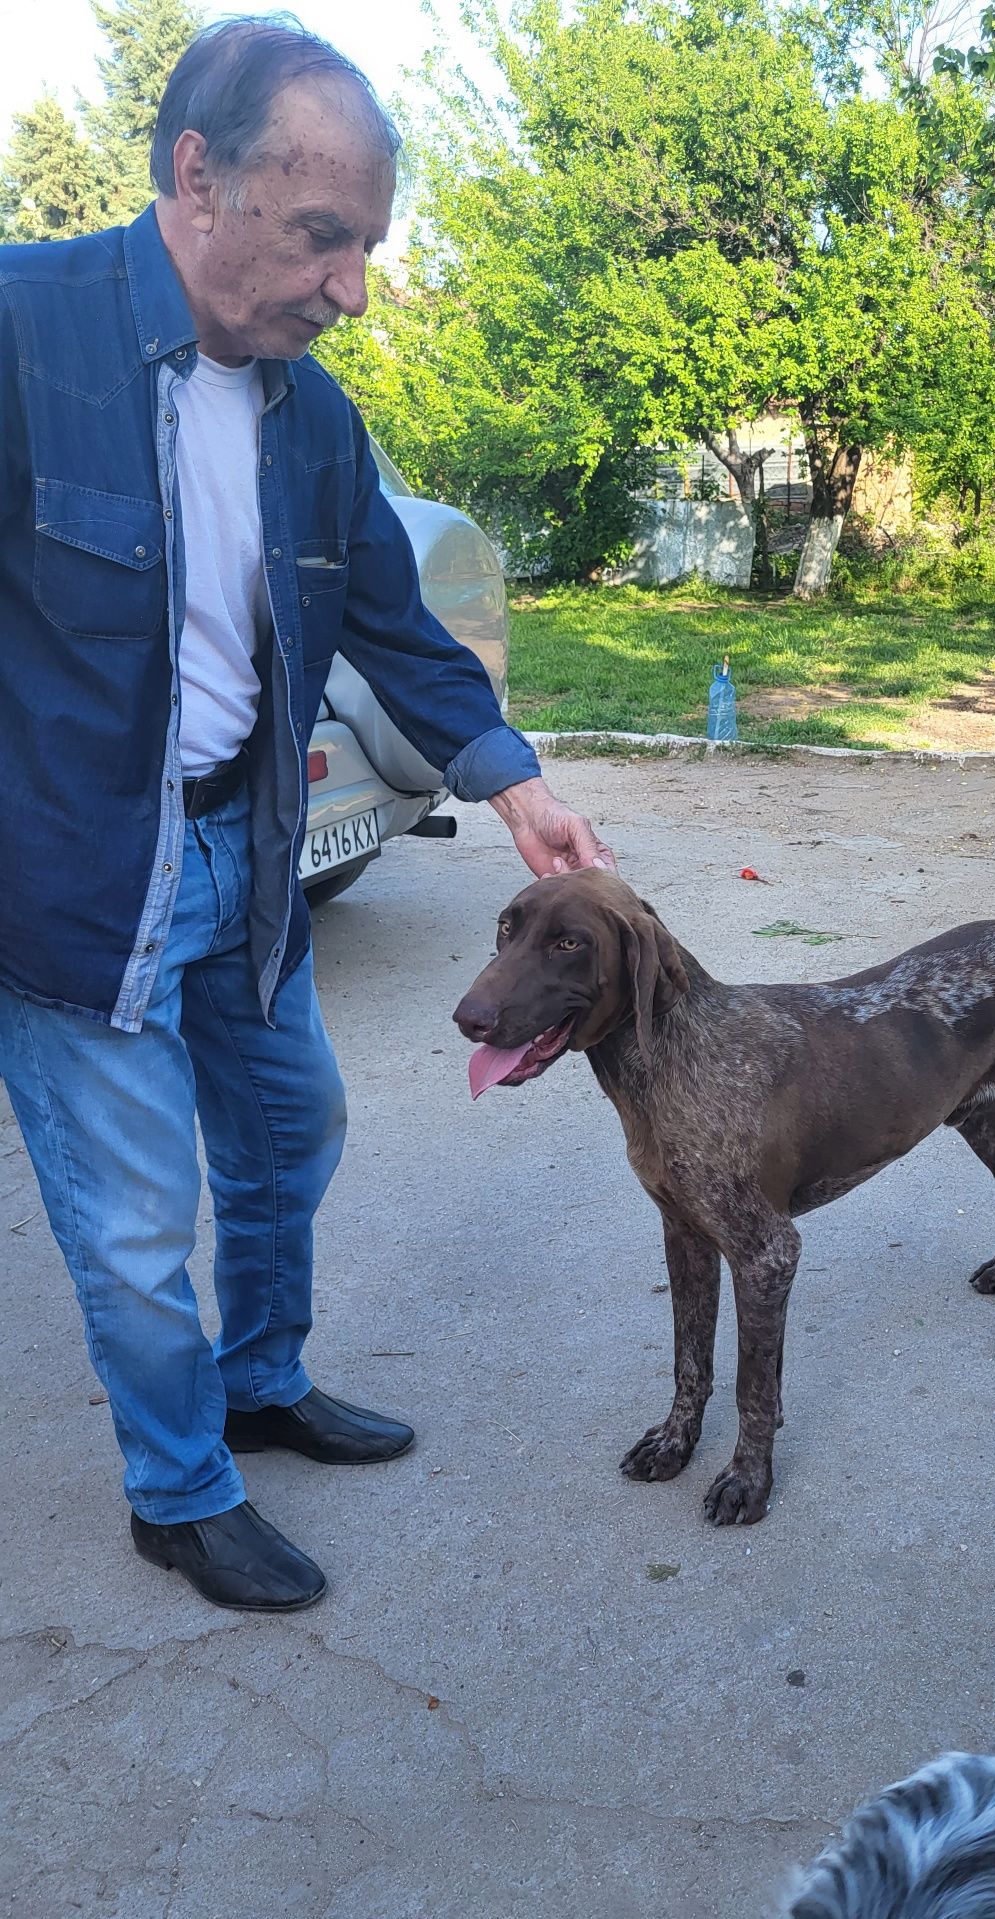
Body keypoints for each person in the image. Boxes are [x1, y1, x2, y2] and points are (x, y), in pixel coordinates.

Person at [0, 18, 614, 1613]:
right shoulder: (22, 334)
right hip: (77, 877)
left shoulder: (307, 414)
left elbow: (402, 630)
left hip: (246, 850)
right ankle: (178, 1486)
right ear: (197, 179)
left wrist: (513, 780)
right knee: (139, 1225)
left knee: (291, 1133)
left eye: (368, 247)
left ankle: (259, 1381)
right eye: (325, 237)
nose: (352, 288)